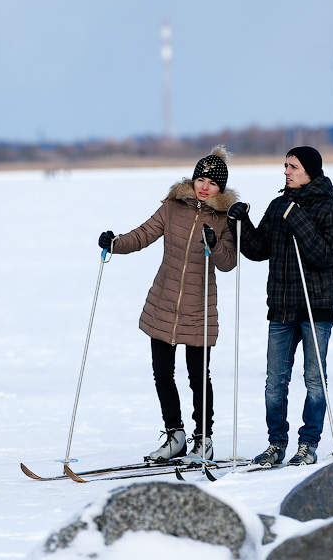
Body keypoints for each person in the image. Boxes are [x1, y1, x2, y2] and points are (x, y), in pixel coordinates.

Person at [98, 145, 238, 463]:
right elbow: (144, 234)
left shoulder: (223, 219)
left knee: (198, 376)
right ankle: (175, 436)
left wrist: (214, 245)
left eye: (212, 183)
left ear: (221, 188)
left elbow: (228, 262)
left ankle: (204, 440)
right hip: (163, 303)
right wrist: (115, 242)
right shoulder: (173, 207)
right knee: (162, 373)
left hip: (198, 308)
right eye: (201, 178)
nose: (205, 186)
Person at [227, 146, 333, 466]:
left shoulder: (329, 209)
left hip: (315, 309)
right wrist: (240, 225)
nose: (286, 171)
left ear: (310, 171)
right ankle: (276, 444)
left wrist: (296, 216)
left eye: (293, 166)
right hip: (281, 309)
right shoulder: (279, 205)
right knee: (274, 383)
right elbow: (258, 249)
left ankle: (308, 444)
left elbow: (326, 255)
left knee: (313, 380)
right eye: (285, 165)